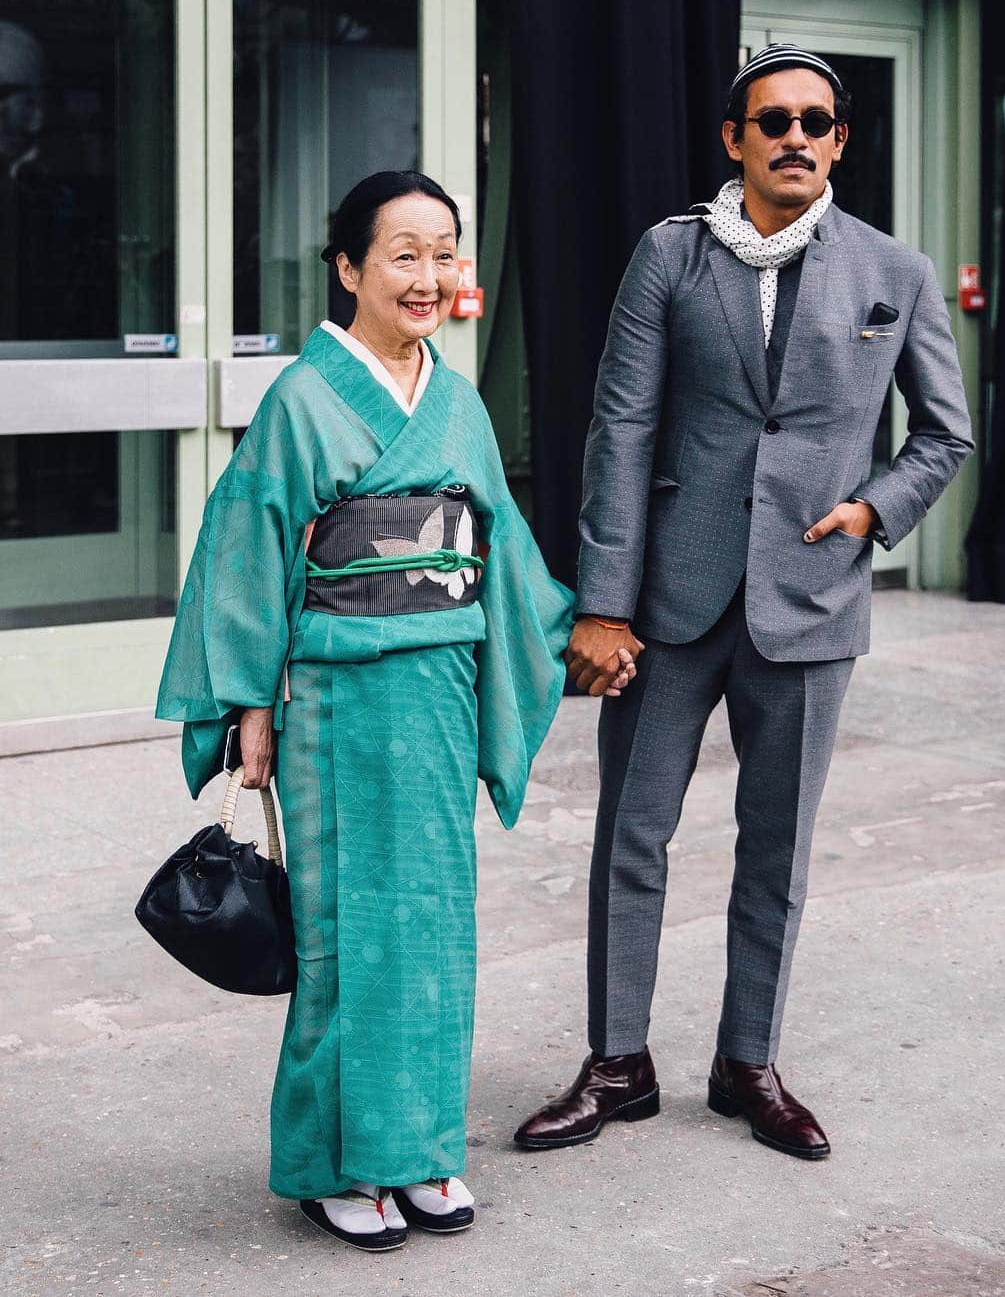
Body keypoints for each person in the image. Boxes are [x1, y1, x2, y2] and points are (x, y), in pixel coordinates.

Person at [156, 171, 631, 1250]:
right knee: (344, 932)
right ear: (349, 268)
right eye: (402, 254)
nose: (427, 276)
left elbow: (499, 549)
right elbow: (250, 549)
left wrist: (570, 639)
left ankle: (418, 1153)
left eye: (444, 253)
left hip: (441, 693)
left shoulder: (454, 402)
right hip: (337, 697)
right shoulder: (303, 399)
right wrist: (252, 706)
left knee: (434, 927)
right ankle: (337, 1162)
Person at [515, 45, 974, 1160]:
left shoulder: (893, 272)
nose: (795, 138)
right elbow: (619, 429)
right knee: (633, 835)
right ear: (736, 139)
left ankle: (748, 1063)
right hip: (671, 596)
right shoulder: (671, 256)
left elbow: (945, 433)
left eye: (817, 122)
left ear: (840, 141)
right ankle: (618, 1062)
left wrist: (873, 512)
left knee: (779, 849)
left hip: (813, 605)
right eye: (773, 120)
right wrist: (603, 602)